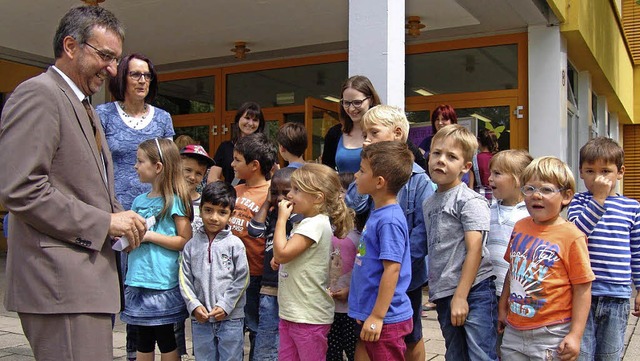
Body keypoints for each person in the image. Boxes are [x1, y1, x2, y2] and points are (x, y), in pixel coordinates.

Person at [0, 6, 147, 360]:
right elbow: (21, 189)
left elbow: (80, 186)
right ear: (71, 46)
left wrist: (119, 222)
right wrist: (104, 222)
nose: (113, 69)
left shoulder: (82, 105)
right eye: (106, 56)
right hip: (59, 286)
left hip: (82, 285)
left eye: (116, 59)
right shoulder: (39, 95)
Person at [344, 105, 435, 361]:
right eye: (364, 134)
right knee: (364, 347)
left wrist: (404, 262)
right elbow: (353, 203)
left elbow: (421, 233)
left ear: (397, 133)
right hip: (375, 281)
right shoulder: (376, 192)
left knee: (412, 336)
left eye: (373, 132)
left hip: (402, 280)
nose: (367, 140)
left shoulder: (418, 182)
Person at [498, 156, 595, 361]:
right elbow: (513, 270)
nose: (536, 196)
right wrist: (502, 306)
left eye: (546, 190)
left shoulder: (572, 236)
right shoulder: (520, 226)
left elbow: (582, 288)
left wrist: (575, 335)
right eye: (529, 189)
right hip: (514, 329)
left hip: (551, 333)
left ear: (567, 196)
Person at [421, 124, 498, 360]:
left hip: (473, 292)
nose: (441, 161)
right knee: (455, 355)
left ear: (465, 167)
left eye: (451, 156)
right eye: (436, 153)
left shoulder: (469, 200)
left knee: (480, 355)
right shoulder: (429, 202)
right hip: (444, 293)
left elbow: (475, 249)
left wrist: (461, 296)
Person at [566, 137, 640, 361]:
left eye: (605, 171)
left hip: (617, 295)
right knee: (582, 354)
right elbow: (576, 233)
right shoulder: (577, 202)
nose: (598, 178)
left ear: (620, 172)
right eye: (590, 171)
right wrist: (597, 199)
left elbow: (637, 252)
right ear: (580, 172)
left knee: (610, 355)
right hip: (583, 295)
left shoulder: (632, 207)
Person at [120, 138, 193, 361]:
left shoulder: (175, 201)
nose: (135, 166)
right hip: (138, 278)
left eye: (140, 161)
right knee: (143, 337)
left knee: (165, 336)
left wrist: (150, 236)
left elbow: (184, 239)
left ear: (158, 166)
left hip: (162, 281)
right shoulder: (138, 201)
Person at [273, 163, 354, 360]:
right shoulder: (307, 222)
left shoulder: (314, 224)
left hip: (307, 316)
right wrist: (282, 262)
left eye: (296, 190)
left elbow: (282, 253)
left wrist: (281, 219)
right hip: (294, 312)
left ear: (318, 198)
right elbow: (289, 255)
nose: (289, 195)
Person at [348, 141, 415, 360]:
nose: (356, 175)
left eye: (362, 170)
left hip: (386, 320)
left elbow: (392, 270)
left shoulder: (389, 220)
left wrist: (377, 316)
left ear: (379, 182)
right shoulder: (378, 214)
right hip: (371, 314)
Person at [179, 181, 249, 361]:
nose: (214, 217)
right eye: (208, 210)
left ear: (231, 215)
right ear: (200, 210)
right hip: (200, 319)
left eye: (222, 212)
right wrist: (194, 305)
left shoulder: (235, 245)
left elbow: (242, 279)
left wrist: (226, 305)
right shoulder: (191, 246)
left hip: (231, 319)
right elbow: (184, 279)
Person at [97, 53, 175, 211]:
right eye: (135, 74)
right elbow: (95, 162)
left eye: (147, 75)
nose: (142, 80)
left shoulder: (163, 118)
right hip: (113, 205)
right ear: (121, 78)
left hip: (154, 208)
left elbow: (170, 166)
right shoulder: (103, 114)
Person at [228, 132, 278, 360]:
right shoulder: (235, 191)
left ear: (254, 165)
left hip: (256, 275)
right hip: (230, 274)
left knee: (257, 328)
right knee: (232, 328)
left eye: (237, 160)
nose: (232, 164)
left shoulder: (271, 193)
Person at [248, 167, 298, 361]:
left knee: (287, 342)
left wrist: (285, 215)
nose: (280, 198)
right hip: (270, 289)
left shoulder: (300, 218)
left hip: (292, 289)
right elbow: (254, 230)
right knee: (267, 340)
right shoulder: (272, 214)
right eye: (275, 192)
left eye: (286, 193)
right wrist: (267, 201)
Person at [485, 149, 532, 355]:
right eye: (491, 173)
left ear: (517, 180)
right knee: (493, 345)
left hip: (518, 295)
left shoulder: (529, 213)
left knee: (514, 347)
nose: (490, 178)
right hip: (489, 291)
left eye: (497, 174)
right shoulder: (488, 208)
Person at [326, 172, 362, 361]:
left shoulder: (359, 234)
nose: (339, 198)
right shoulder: (325, 229)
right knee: (331, 352)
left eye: (342, 192)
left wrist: (351, 289)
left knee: (353, 350)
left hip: (350, 307)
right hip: (328, 306)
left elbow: (364, 268)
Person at [321, 75, 381, 173]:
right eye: (346, 103)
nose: (351, 109)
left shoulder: (385, 129)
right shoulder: (334, 133)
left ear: (371, 100)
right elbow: (327, 172)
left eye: (357, 102)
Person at [208, 101, 266, 184]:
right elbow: (212, 179)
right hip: (232, 195)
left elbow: (274, 176)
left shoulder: (264, 148)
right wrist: (226, 192)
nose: (250, 123)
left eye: (255, 120)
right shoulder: (225, 147)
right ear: (238, 119)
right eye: (247, 118)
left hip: (258, 195)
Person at [180, 144, 215, 221]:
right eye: (188, 170)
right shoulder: (165, 199)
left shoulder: (205, 203)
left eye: (198, 173)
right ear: (176, 169)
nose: (192, 177)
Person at [472, 129, 499, 200]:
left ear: (478, 141)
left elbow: (470, 185)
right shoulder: (497, 158)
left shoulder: (474, 159)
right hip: (496, 194)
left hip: (478, 195)